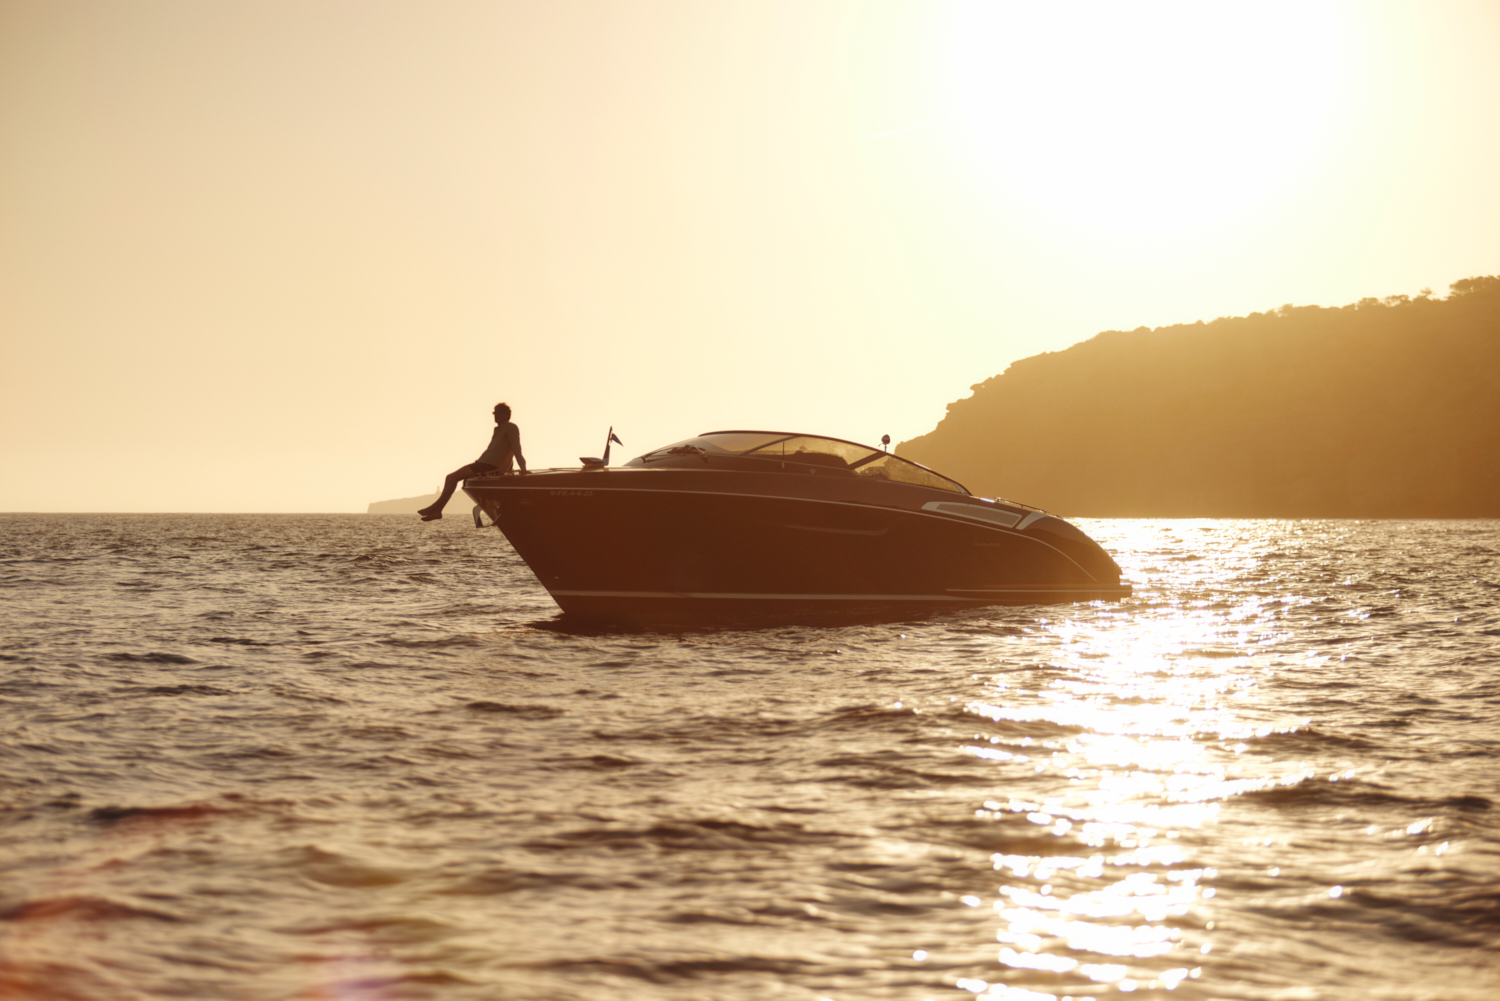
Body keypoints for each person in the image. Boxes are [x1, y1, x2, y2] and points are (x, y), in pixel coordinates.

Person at [418, 402, 527, 521]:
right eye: (494, 413)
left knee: (453, 477)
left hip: (489, 465)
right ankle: (437, 510)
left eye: (498, 413)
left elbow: (516, 449)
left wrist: (522, 469)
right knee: (449, 477)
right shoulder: (498, 429)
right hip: (483, 463)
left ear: (506, 414)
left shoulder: (511, 427)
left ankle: (435, 509)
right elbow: (504, 451)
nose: (495, 415)